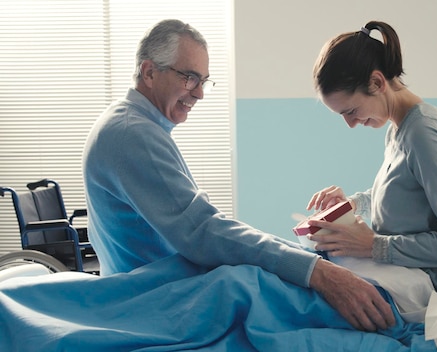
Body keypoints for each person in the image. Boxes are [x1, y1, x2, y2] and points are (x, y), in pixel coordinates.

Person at [82, 19, 395, 332]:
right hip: (160, 301)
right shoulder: (133, 134)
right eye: (190, 78)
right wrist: (319, 272)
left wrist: (305, 260)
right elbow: (202, 231)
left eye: (204, 81)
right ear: (150, 72)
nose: (200, 94)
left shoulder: (132, 125)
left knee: (292, 268)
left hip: (160, 288)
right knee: (311, 302)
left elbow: (200, 227)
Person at [305, 21, 437, 294]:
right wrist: (352, 205)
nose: (351, 124)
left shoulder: (423, 132)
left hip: (418, 283)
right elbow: (407, 196)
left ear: (377, 82)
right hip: (392, 270)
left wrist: (373, 246)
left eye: (351, 111)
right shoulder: (398, 127)